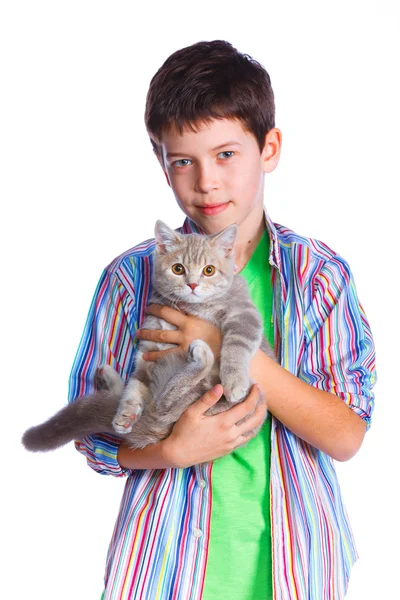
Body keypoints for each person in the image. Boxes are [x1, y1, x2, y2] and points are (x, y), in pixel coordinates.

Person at [68, 40, 376, 600]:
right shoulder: (130, 279)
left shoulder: (317, 277)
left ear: (270, 147)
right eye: (183, 159)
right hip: (164, 565)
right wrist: (170, 451)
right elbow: (92, 437)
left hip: (297, 566)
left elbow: (348, 433)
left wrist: (226, 346)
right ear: (161, 162)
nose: (206, 181)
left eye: (226, 155)